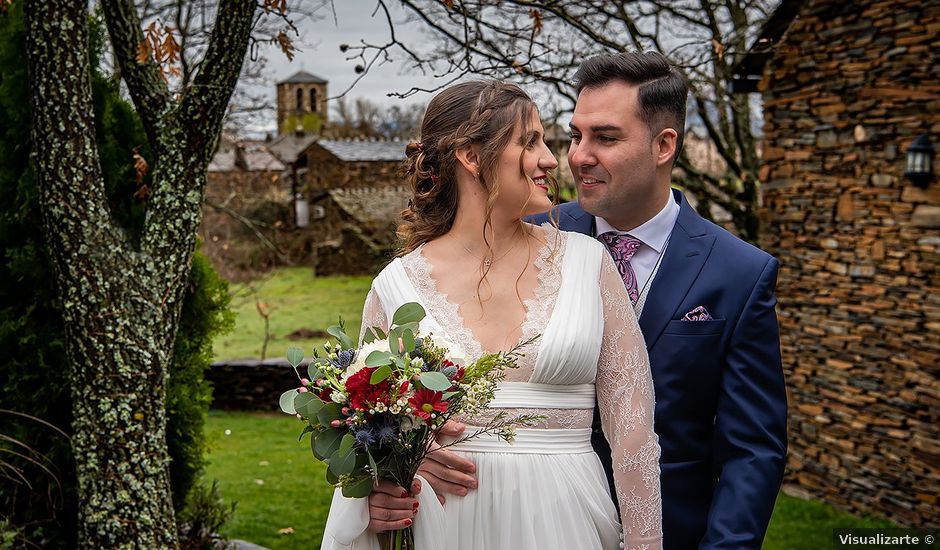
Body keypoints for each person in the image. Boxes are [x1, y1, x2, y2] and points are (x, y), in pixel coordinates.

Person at [422, 53, 789, 549]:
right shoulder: (521, 236)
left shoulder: (739, 273)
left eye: (606, 138)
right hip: (519, 523)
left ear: (663, 146)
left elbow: (752, 450)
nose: (577, 156)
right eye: (575, 135)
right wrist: (414, 451)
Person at [319, 80, 663, 549]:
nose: (550, 158)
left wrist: (645, 544)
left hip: (567, 523)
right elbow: (371, 444)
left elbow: (634, 433)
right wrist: (385, 485)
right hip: (447, 526)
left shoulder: (589, 265)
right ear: (471, 156)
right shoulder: (396, 287)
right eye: (529, 142)